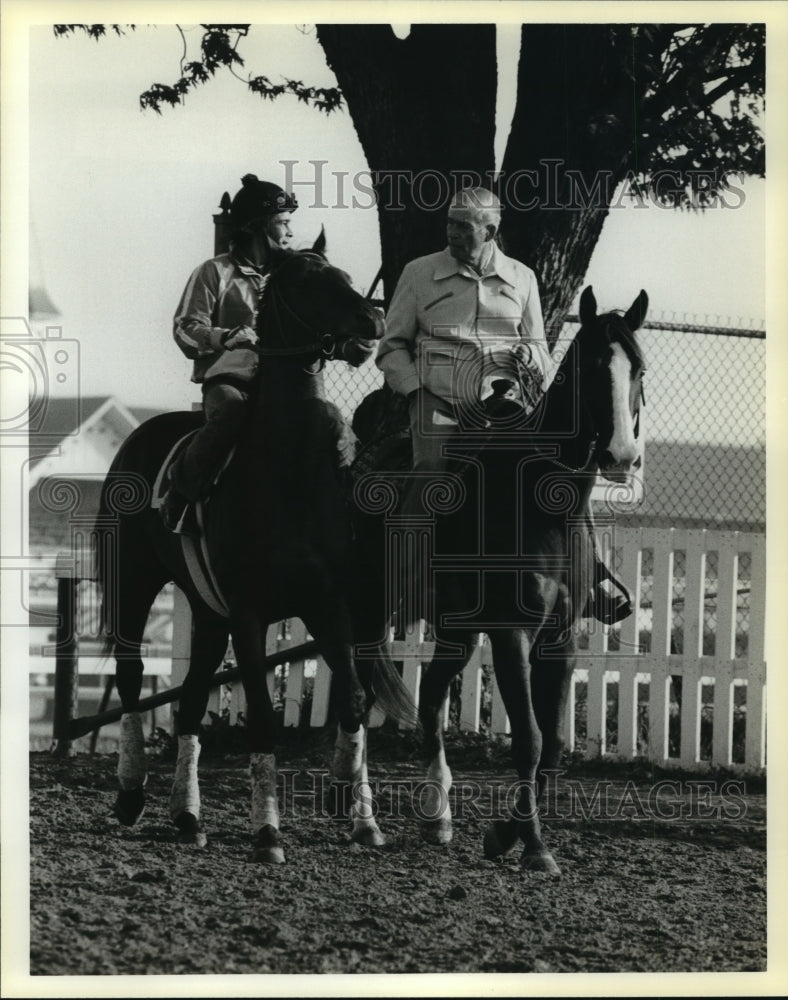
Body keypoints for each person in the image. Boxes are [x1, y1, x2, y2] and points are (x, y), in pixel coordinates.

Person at [375, 186, 630, 624]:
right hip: (440, 402)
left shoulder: (522, 277)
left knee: (565, 473)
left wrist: (533, 357)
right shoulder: (419, 273)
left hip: (508, 403)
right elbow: (391, 347)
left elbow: (539, 348)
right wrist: (415, 389)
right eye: (450, 222)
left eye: (462, 225)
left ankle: (592, 577)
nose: (451, 232)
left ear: (490, 230)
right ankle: (402, 586)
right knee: (430, 472)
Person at [159, 174, 298, 534]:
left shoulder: (294, 274)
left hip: (284, 385)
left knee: (330, 421)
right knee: (232, 413)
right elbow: (184, 329)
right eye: (283, 223)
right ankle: (181, 496)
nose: (290, 233)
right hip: (229, 383)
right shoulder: (213, 272)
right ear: (257, 227)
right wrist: (225, 337)